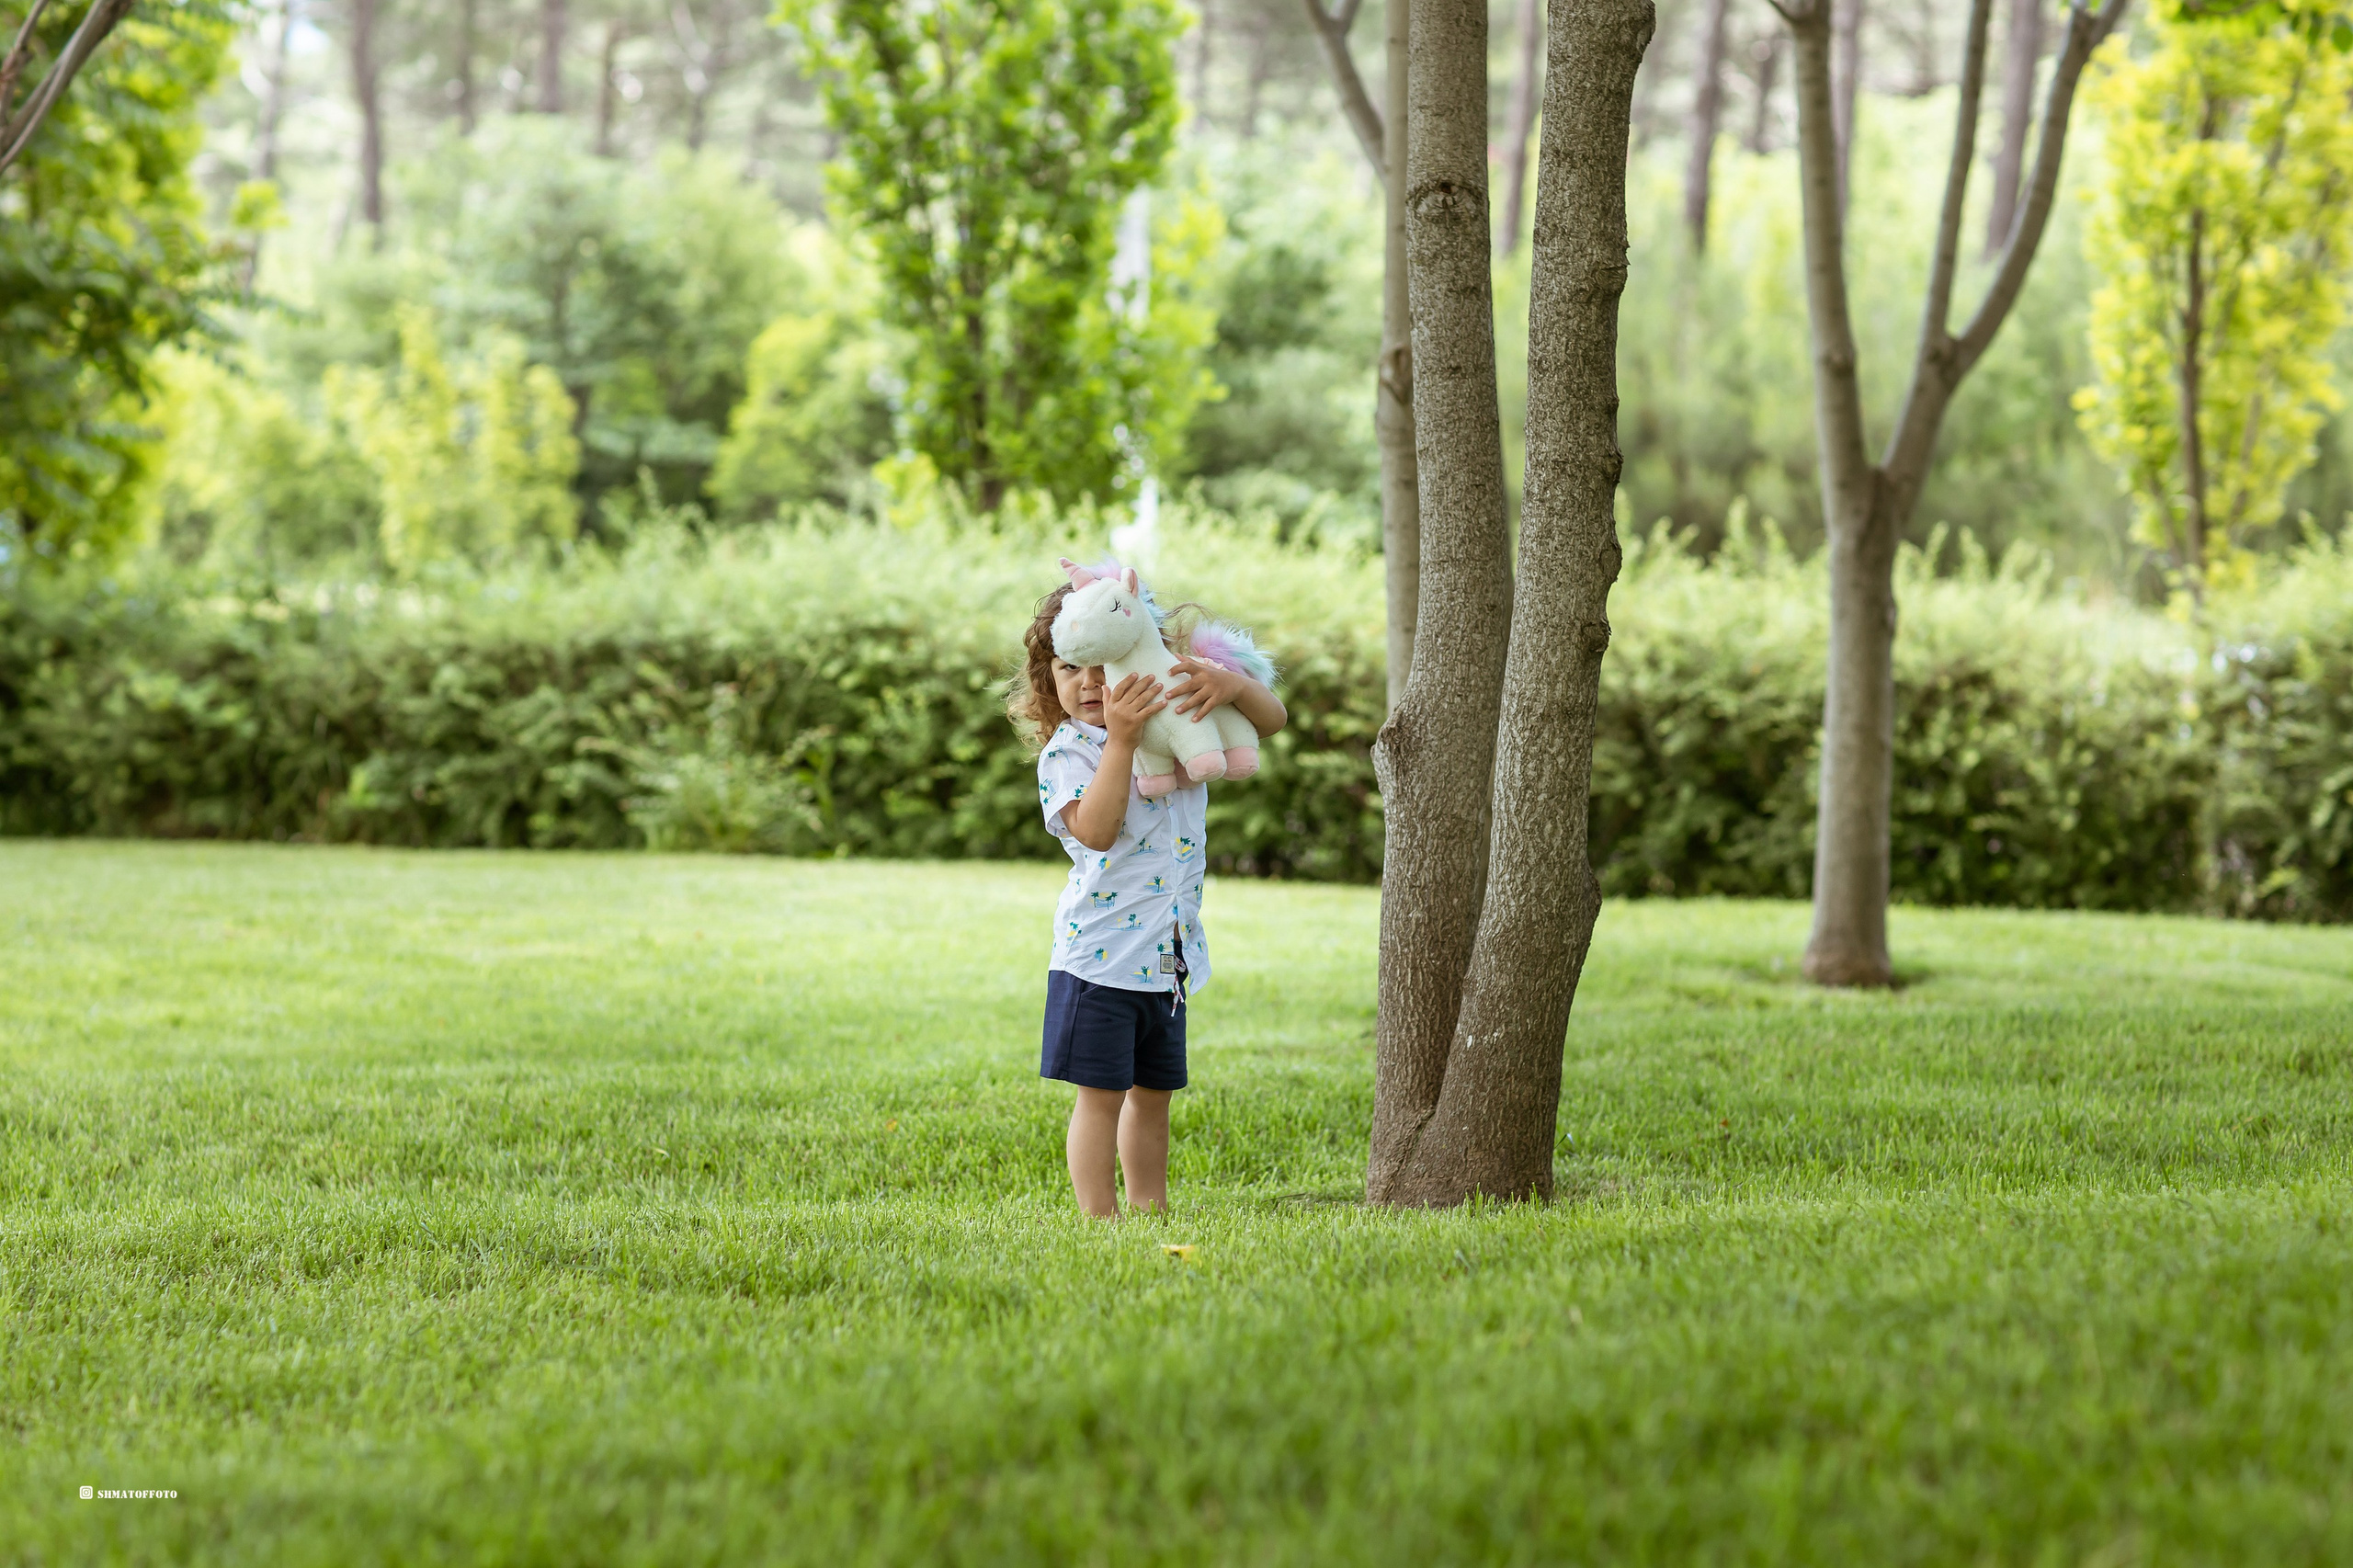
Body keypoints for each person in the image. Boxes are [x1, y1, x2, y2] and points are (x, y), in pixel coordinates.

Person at [1009, 580, 1288, 1219]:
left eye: (1099, 666)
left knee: (1154, 1093)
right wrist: (1123, 741)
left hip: (1169, 958)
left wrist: (1233, 686)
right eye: (1067, 668)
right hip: (1100, 960)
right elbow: (1097, 831)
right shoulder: (1069, 752)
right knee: (1101, 1097)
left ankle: (1149, 1208)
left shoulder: (1177, 724)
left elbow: (1269, 722)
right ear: (1048, 678)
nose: (1086, 681)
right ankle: (1099, 1219)